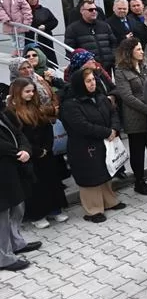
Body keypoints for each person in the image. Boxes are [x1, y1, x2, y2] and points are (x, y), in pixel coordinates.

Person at [59, 68, 124, 223]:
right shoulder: (70, 104)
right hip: (83, 146)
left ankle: (109, 201)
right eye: (88, 81)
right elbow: (82, 126)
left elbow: (113, 113)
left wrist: (114, 129)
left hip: (104, 142)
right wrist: (106, 132)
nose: (92, 83)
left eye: (93, 80)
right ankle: (93, 210)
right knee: (90, 178)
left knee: (104, 172)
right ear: (80, 84)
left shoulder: (100, 97)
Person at [5, 78, 67, 229]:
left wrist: (47, 147)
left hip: (46, 152)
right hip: (30, 155)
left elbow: (47, 127)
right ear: (18, 92)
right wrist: (35, 151)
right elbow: (18, 135)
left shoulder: (37, 107)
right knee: (35, 186)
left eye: (32, 91)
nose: (31, 94)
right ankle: (38, 215)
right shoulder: (11, 113)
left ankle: (55, 209)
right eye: (27, 91)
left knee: (52, 181)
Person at [113, 38, 147, 195]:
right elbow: (127, 96)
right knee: (138, 151)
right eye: (138, 49)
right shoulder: (120, 71)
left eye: (141, 49)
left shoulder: (145, 65)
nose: (141, 52)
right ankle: (139, 181)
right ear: (129, 52)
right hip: (135, 116)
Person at [0, 103, 38, 272]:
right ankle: (4, 258)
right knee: (2, 215)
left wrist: (25, 149)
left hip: (12, 169)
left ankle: (16, 243)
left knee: (17, 207)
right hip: (5, 167)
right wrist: (18, 152)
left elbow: (18, 133)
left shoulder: (4, 113)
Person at [64, 0, 117, 72]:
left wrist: (112, 57)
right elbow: (70, 50)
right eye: (90, 10)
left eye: (95, 9)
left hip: (107, 66)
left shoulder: (104, 26)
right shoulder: (73, 28)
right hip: (88, 69)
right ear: (82, 11)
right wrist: (84, 64)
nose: (94, 11)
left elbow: (114, 43)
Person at [20, 0, 59, 64]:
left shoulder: (44, 10)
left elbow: (54, 22)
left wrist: (45, 26)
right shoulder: (21, 12)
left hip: (45, 41)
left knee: (50, 62)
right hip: (29, 40)